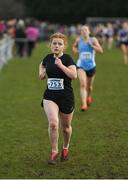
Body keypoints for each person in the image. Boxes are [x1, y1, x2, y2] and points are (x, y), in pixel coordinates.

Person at [39, 32, 77, 165]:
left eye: (59, 44)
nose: (56, 46)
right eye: (54, 43)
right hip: (50, 96)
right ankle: (54, 151)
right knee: (54, 124)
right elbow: (42, 64)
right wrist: (41, 72)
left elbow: (74, 75)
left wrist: (61, 66)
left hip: (66, 97)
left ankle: (65, 148)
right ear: (50, 45)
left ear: (64, 46)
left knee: (66, 127)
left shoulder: (68, 59)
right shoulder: (48, 58)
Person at [72, 25, 103, 111]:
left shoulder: (93, 40)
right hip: (81, 65)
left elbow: (101, 51)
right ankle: (84, 104)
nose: (84, 31)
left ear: (89, 31)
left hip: (91, 66)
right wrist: (75, 50)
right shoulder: (79, 40)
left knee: (89, 87)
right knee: (82, 84)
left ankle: (89, 96)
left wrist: (92, 45)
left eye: (85, 30)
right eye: (82, 30)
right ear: (81, 32)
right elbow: (74, 47)